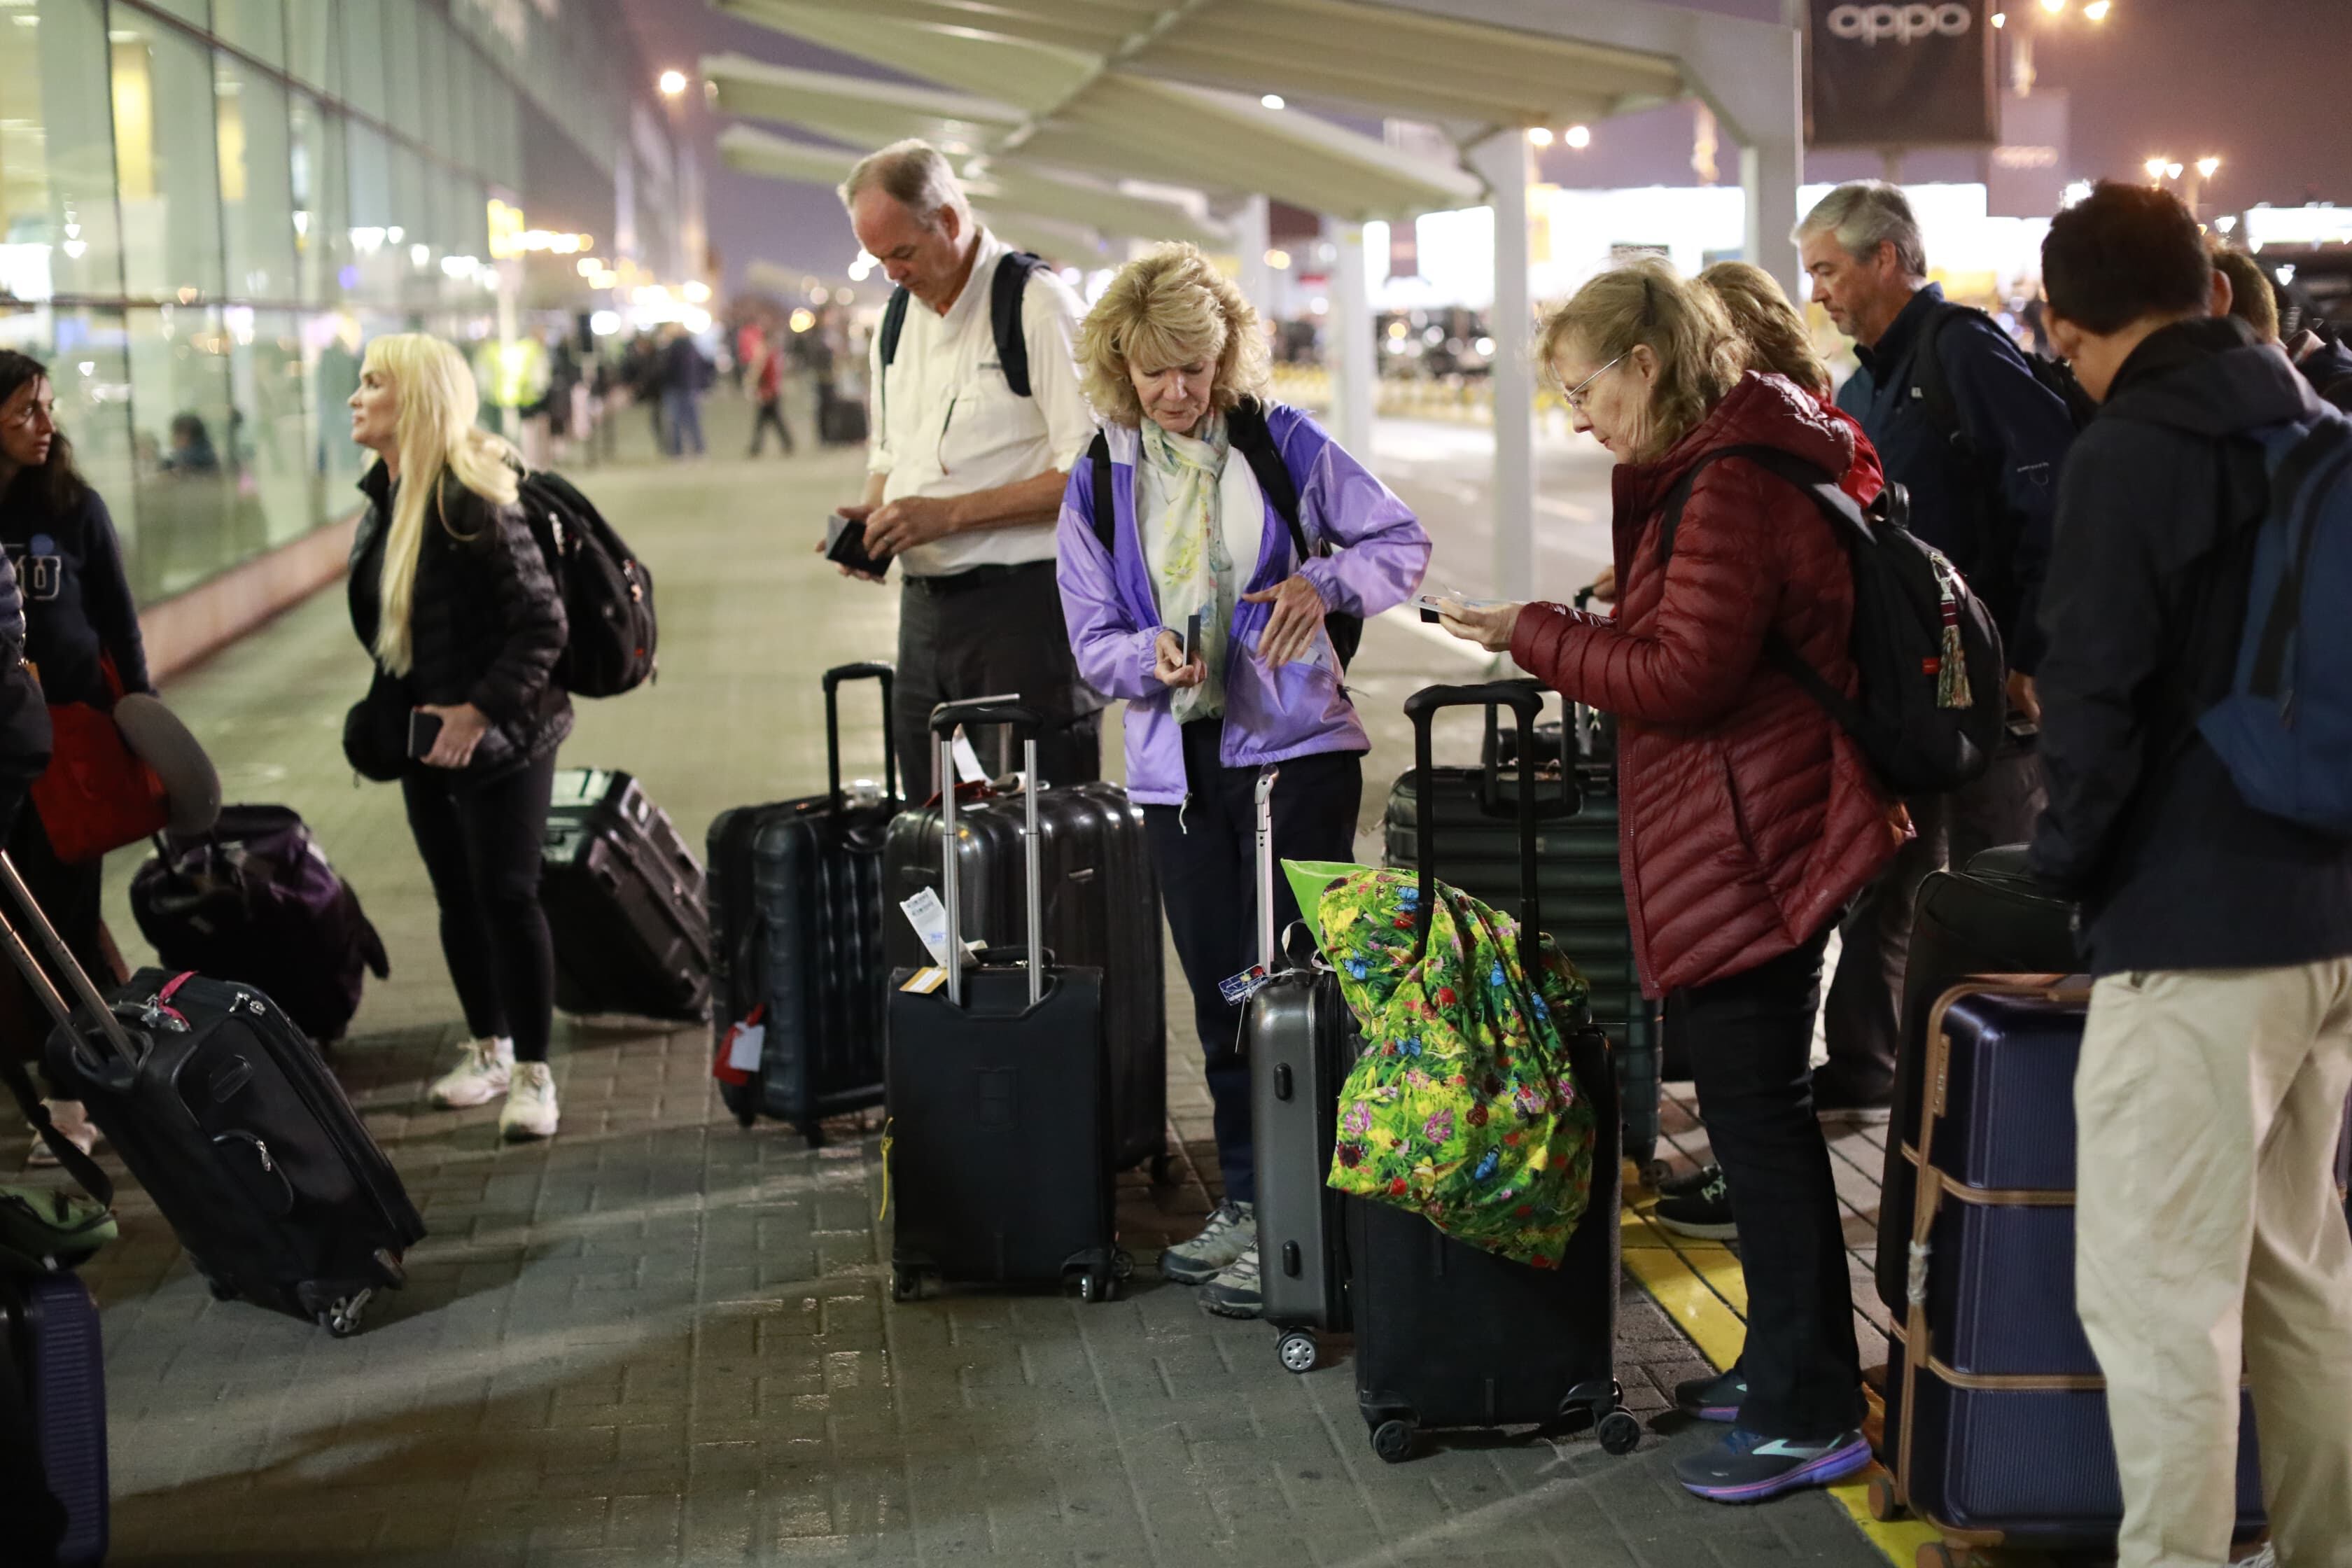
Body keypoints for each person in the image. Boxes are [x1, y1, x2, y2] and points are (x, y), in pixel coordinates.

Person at [1438, 261, 1900, 1504]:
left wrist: (1532, 634)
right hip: (1745, 823)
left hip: (1758, 837)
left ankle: (1813, 1412)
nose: (1578, 417)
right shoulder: (1718, 462)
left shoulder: (1730, 482)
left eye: (1585, 390)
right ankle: (1784, 1364)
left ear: (1646, 365)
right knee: (1759, 1127)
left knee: (1765, 1127)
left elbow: (1682, 678)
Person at [2029, 182, 2352, 1568]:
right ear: (2216, 290)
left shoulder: (2130, 451)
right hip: (2327, 912)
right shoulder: (2318, 427)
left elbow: (2092, 701)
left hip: (2194, 923)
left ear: (2064, 329)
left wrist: (2062, 876)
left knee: (2162, 1301)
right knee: (2301, 1277)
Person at [1057, 242, 1429, 1317]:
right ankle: (1255, 1199)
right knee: (1224, 993)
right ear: (1119, 366)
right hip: (1177, 776)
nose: (1180, 392)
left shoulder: (1282, 440)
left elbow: (1400, 542)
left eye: (1198, 367)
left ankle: (1306, 1216)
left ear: (1226, 357)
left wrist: (1323, 581)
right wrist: (1150, 657)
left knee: (1290, 993)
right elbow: (1090, 641)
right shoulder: (1099, 479)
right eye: (1156, 372)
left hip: (1294, 759)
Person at [1795, 181, 2077, 1124]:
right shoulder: (1866, 384)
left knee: (2003, 876)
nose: (1819, 292)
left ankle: (2016, 1092)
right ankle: (1870, 1064)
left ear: (1887, 258)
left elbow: (2050, 500)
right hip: (1911, 688)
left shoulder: (1962, 350)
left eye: (1829, 270)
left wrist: (2031, 652)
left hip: (1990, 683)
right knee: (1892, 870)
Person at [1639, 260, 1893, 1241]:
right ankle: (1759, 1217)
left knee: (1760, 1091)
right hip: (1784, 788)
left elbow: (1697, 671)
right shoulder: (1807, 441)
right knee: (1760, 1090)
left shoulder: (1754, 467)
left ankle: (1784, 1311)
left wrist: (1538, 633)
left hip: (1775, 800)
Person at [346, 334, 570, 1142]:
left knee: (506, 894)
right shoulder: (389, 493)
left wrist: (478, 713)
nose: (356, 397)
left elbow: (543, 623)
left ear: (415, 398)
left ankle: (535, 1073)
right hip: (427, 736)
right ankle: (489, 1048)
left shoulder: (471, 493)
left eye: (373, 383)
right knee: (456, 896)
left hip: (505, 735)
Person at [833, 139, 1102, 790]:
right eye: (878, 259)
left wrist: (948, 516)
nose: (892, 273)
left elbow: (1094, 475)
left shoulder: (1037, 305)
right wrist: (876, 518)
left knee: (1036, 817)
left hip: (1025, 612)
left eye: (902, 252)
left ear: (950, 221)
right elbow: (890, 449)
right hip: (924, 614)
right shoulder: (897, 319)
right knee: (929, 815)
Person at [0, 351, 153, 1165]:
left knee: (65, 914)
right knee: (18, 924)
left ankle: (73, 1095)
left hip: (70, 746)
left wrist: (142, 721)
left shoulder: (74, 506)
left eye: (48, 408)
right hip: (5, 750)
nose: (45, 424)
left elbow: (119, 624)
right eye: (26, 409)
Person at [658, 324, 708, 459]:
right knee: (692, 421)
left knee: (676, 421)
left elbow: (664, 369)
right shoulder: (692, 348)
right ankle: (699, 450)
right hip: (689, 387)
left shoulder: (671, 349)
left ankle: (678, 452)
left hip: (675, 388)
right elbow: (704, 366)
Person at [748, 328, 794, 457]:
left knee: (765, 422)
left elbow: (766, 376)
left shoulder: (768, 357)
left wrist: (764, 392)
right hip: (771, 392)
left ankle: (756, 448)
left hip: (769, 394)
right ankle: (786, 444)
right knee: (771, 421)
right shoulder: (773, 356)